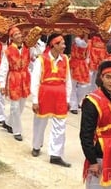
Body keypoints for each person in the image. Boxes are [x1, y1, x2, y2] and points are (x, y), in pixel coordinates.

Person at [80, 61, 111, 188]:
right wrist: (92, 161)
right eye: (108, 77)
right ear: (101, 77)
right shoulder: (92, 101)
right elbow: (85, 135)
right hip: (99, 153)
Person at [30, 33, 72, 166]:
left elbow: (68, 80)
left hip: (60, 95)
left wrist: (68, 99)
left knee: (60, 125)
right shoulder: (41, 59)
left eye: (64, 43)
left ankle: (55, 155)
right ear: (53, 44)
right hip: (45, 95)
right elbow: (35, 80)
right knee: (40, 123)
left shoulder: (65, 59)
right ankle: (36, 146)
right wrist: (35, 100)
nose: (64, 46)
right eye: (62, 44)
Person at [0, 26, 31, 141]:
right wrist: (2, 84)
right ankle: (17, 131)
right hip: (14, 79)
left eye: (19, 34)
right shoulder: (8, 51)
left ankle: (7, 122)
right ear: (12, 37)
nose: (19, 36)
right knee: (15, 106)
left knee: (21, 106)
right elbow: (3, 68)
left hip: (25, 79)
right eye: (15, 34)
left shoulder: (27, 48)